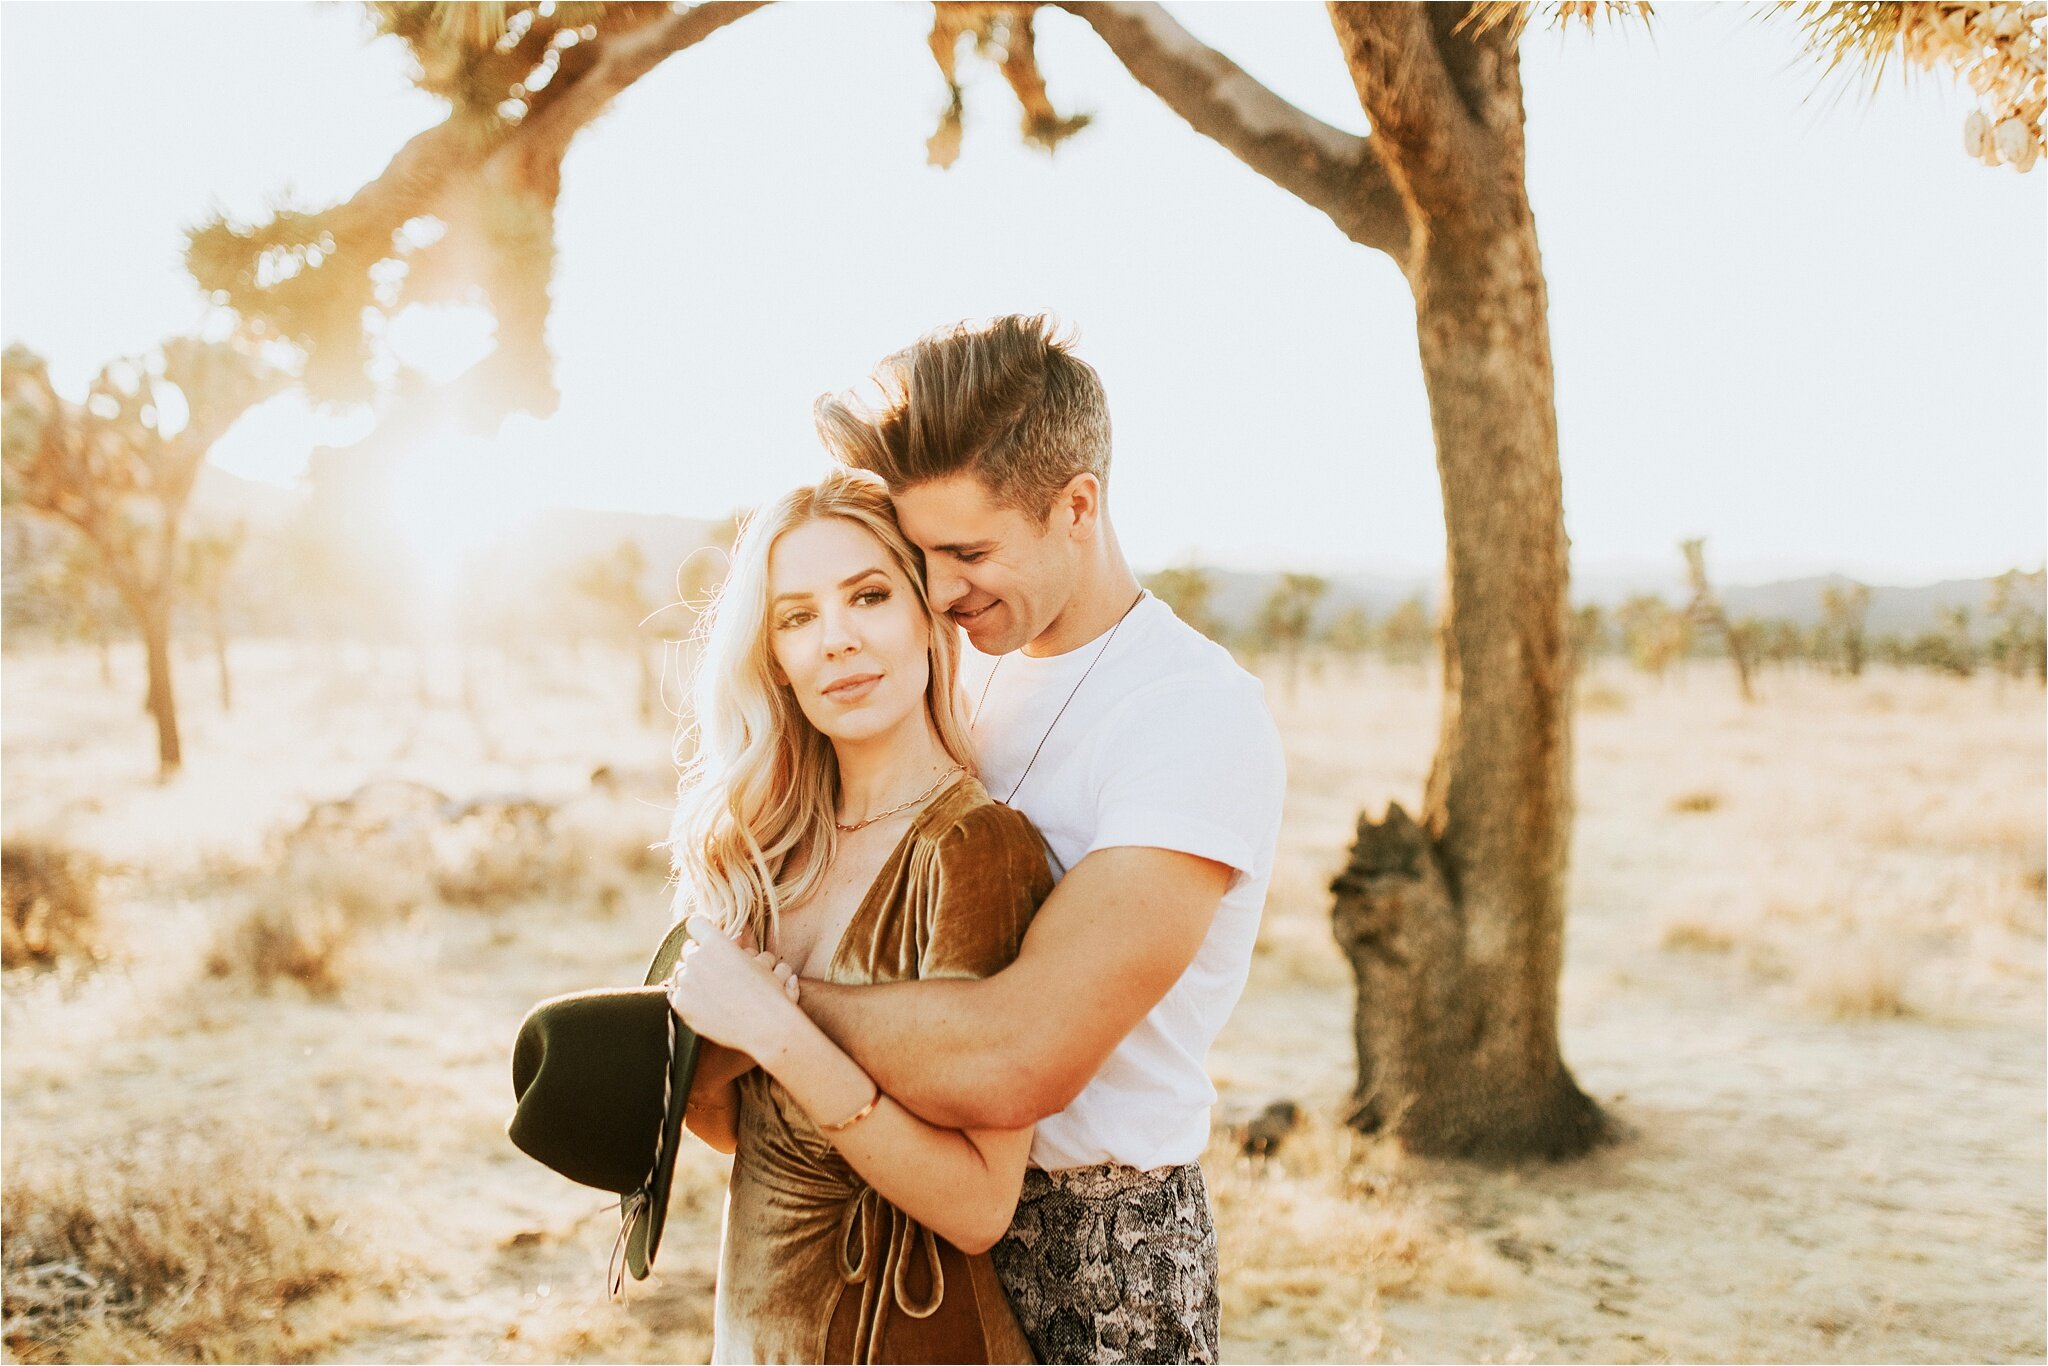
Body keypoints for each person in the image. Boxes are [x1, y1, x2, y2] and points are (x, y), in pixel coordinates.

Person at [802, 315, 1288, 1363]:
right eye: (917, 554)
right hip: (900, 1203)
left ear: (1078, 504)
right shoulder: (950, 665)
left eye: (969, 551)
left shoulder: (1189, 713)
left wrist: (770, 1010)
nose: (938, 592)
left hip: (1095, 1252)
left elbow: (1016, 1057)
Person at [660, 471, 1054, 1364]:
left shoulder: (974, 848)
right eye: (796, 617)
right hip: (760, 1336)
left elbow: (981, 1206)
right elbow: (744, 1134)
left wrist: (779, 1030)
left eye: (869, 597)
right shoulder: (768, 850)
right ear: (774, 657)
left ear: (925, 615)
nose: (837, 641)